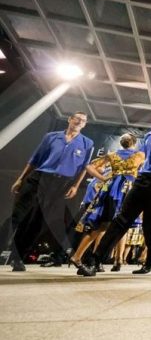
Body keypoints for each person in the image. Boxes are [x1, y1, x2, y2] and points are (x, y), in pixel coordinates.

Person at [79, 102, 151, 276]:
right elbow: (142, 158)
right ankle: (95, 260)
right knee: (121, 219)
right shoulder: (149, 137)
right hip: (142, 180)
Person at [8, 111, 94, 271]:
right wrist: (21, 179)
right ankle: (9, 251)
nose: (79, 122)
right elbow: (35, 159)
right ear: (70, 119)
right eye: (77, 118)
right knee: (20, 216)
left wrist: (75, 186)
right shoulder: (51, 137)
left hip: (60, 184)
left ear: (84, 124)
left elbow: (84, 168)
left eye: (83, 121)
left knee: (38, 222)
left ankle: (18, 258)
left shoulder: (87, 143)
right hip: (39, 178)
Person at [70, 133, 144, 273]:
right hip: (125, 190)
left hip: (110, 188)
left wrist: (104, 178)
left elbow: (90, 165)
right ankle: (97, 260)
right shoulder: (140, 155)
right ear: (134, 143)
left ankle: (82, 257)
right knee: (113, 226)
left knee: (102, 225)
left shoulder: (113, 155)